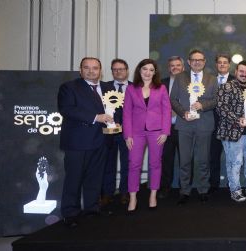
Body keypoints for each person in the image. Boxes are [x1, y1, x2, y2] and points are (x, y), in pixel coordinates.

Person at [58, 57, 114, 227]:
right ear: (80, 70)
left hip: (102, 140)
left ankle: (92, 209)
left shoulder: (108, 88)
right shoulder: (69, 87)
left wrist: (115, 122)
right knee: (74, 179)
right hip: (78, 142)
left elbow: (116, 109)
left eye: (95, 68)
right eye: (87, 68)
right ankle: (70, 213)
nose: (91, 71)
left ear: (100, 70)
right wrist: (96, 117)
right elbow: (67, 110)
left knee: (95, 178)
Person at [170, 49, 219, 205]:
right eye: (194, 60)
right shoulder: (179, 78)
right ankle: (185, 191)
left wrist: (202, 105)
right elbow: (173, 99)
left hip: (204, 123)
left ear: (204, 62)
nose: (197, 62)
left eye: (200, 60)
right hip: (184, 124)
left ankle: (203, 189)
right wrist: (182, 112)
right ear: (189, 62)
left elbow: (216, 100)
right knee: (184, 159)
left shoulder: (212, 79)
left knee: (203, 159)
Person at [123, 59, 171, 212]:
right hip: (136, 133)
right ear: (139, 70)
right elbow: (127, 113)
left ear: (155, 72)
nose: (148, 72)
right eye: (145, 69)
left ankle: (153, 195)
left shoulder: (161, 88)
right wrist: (127, 135)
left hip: (156, 132)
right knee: (133, 165)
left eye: (151, 69)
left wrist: (165, 132)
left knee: (155, 164)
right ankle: (133, 198)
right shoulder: (131, 89)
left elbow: (167, 111)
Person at [217, 61, 246, 202]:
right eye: (242, 71)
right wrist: (236, 119)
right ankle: (235, 190)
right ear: (236, 71)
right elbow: (221, 108)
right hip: (232, 132)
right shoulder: (226, 87)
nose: (244, 74)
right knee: (235, 162)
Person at [100, 59, 130, 207]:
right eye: (115, 69)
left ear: (127, 71)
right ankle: (107, 193)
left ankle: (125, 192)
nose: (118, 72)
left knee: (127, 164)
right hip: (108, 133)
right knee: (108, 164)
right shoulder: (103, 87)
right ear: (111, 71)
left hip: (128, 133)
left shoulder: (135, 88)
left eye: (121, 69)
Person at [159, 56, 185, 199]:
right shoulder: (161, 84)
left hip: (184, 127)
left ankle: (184, 188)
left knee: (185, 161)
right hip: (166, 128)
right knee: (166, 159)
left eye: (178, 65)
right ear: (169, 68)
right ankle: (165, 187)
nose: (175, 68)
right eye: (172, 65)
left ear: (183, 67)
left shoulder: (191, 84)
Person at [209, 54, 235, 193]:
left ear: (229, 65)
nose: (222, 65)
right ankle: (214, 185)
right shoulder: (209, 80)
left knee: (232, 158)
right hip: (212, 125)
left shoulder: (235, 81)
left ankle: (234, 185)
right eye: (220, 63)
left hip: (231, 126)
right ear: (216, 65)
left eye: (225, 62)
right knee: (213, 157)